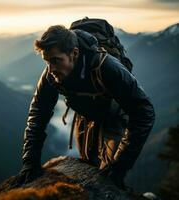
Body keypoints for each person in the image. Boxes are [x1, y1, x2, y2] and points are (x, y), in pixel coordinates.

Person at [19, 25, 155, 190]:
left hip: (115, 119)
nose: (51, 69)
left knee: (108, 176)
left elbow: (144, 111)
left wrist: (121, 165)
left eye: (55, 60)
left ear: (74, 53)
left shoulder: (107, 68)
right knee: (89, 167)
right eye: (47, 61)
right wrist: (30, 162)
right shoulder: (51, 74)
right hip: (85, 117)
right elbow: (38, 114)